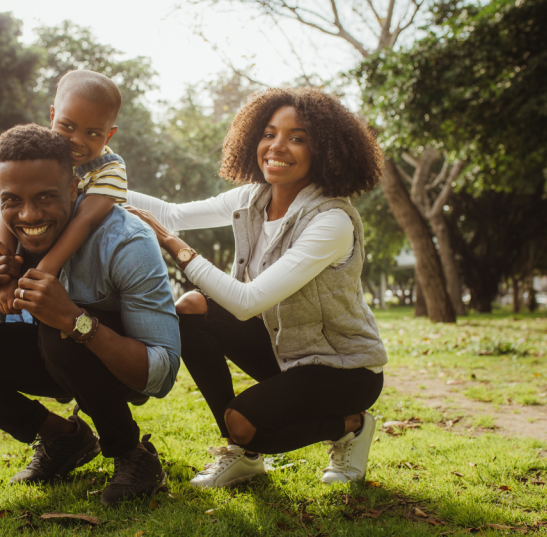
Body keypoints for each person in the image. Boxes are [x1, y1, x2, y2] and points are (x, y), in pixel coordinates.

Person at [125, 87, 387, 489]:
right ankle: (241, 455)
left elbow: (247, 303)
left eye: (297, 138)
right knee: (192, 307)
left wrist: (176, 247)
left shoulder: (331, 222)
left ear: (327, 151)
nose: (276, 146)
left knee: (245, 422)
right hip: (285, 349)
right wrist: (90, 185)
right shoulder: (253, 197)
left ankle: (350, 424)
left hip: (344, 370)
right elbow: (171, 214)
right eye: (269, 133)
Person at [0, 124, 180, 507]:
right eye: (12, 200)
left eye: (46, 197)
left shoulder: (126, 240)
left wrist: (77, 321)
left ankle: (133, 456)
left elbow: (160, 373)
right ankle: (65, 438)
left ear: (74, 189)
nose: (29, 214)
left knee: (57, 333)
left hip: (115, 366)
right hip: (47, 354)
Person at [0, 70, 128, 315]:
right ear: (53, 115)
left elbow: (84, 221)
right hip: (29, 247)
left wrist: (41, 275)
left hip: (79, 272)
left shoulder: (110, 170)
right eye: (67, 126)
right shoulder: (38, 153)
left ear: (109, 133)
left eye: (92, 133)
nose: (76, 140)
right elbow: (7, 209)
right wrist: (4, 276)